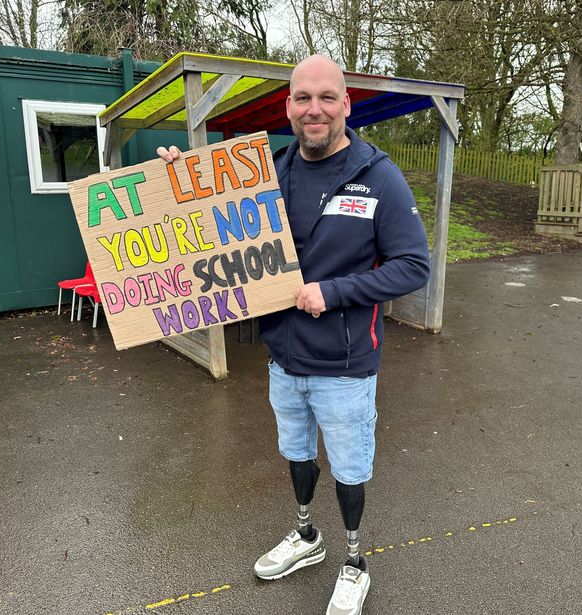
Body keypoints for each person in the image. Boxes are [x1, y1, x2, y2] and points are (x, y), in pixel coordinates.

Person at [157, 54, 429, 615]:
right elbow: (216, 226)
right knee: (296, 452)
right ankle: (307, 537)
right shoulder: (270, 171)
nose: (315, 109)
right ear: (288, 107)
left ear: (346, 105)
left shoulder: (379, 176)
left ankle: (355, 562)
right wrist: (184, 182)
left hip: (346, 364)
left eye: (327, 97)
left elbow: (412, 266)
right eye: (303, 98)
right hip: (283, 357)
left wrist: (333, 292)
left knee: (350, 468)